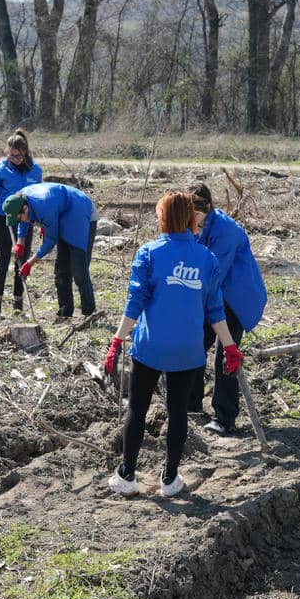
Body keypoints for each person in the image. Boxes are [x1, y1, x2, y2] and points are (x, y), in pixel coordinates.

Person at [103, 192, 243, 497]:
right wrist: (230, 347)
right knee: (178, 411)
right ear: (192, 219)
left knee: (137, 410)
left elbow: (134, 304)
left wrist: (117, 341)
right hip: (188, 351)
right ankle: (170, 479)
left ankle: (127, 476)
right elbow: (215, 310)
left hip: (151, 348)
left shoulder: (149, 253)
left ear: (164, 217)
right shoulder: (206, 259)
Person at [185, 184, 267, 436]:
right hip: (213, 294)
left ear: (206, 209)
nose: (191, 222)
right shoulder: (195, 224)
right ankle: (191, 403)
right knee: (195, 344)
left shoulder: (226, 231)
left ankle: (225, 417)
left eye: (194, 216)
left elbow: (213, 274)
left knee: (226, 356)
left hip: (236, 298)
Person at [3, 182, 99, 321]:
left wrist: (30, 263)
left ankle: (89, 313)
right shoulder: (20, 197)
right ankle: (65, 313)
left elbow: (50, 242)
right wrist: (20, 243)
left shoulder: (44, 206)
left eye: (18, 217)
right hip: (59, 209)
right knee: (61, 270)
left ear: (25, 208)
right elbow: (24, 221)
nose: (19, 221)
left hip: (78, 209)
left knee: (79, 269)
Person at [0, 129, 41, 318]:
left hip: (25, 219)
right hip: (3, 219)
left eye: (18, 156)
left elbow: (37, 196)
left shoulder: (35, 170)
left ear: (26, 152)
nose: (14, 159)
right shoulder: (0, 169)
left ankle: (18, 306)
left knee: (21, 260)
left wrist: (42, 222)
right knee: (2, 261)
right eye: (11, 155)